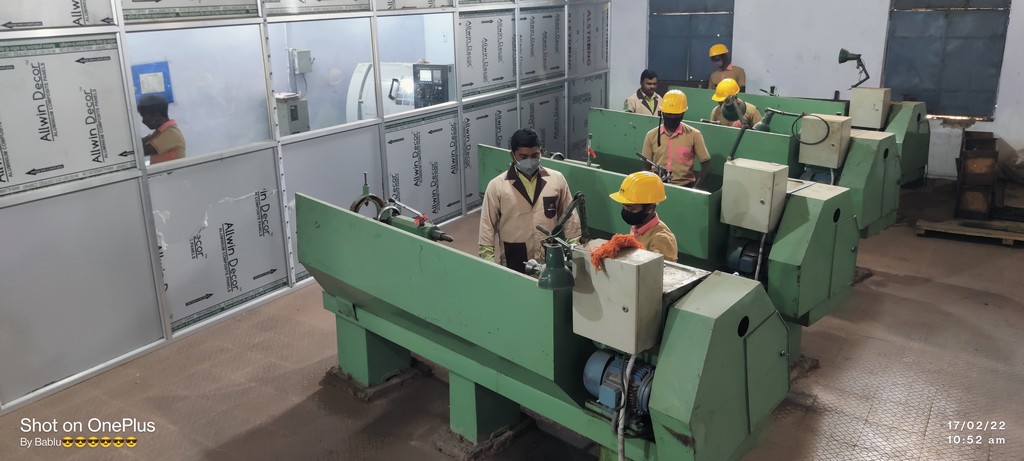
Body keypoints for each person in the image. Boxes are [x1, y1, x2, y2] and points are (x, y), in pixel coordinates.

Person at [479, 128, 581, 274]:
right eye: (523, 156)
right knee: (516, 286)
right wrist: (488, 263)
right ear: (513, 155)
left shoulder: (556, 180)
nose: (529, 161)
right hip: (514, 257)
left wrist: (576, 249)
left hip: (549, 255)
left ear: (541, 151)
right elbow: (487, 226)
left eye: (535, 155)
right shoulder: (497, 186)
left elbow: (570, 218)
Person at [640, 90, 712, 189]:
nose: (672, 117)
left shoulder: (694, 135)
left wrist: (696, 188)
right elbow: (645, 165)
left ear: (683, 113)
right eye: (669, 114)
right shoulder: (651, 135)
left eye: (676, 114)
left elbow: (706, 164)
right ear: (662, 113)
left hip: (685, 187)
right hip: (657, 186)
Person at [609, 171, 678, 262]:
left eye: (631, 208)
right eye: (624, 206)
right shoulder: (636, 227)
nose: (626, 211)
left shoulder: (662, 239)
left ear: (650, 209)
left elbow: (655, 269)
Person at [137, 95, 186, 164]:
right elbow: (141, 143)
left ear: (156, 115)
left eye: (144, 116)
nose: (143, 121)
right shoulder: (161, 132)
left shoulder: (171, 134)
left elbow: (141, 151)